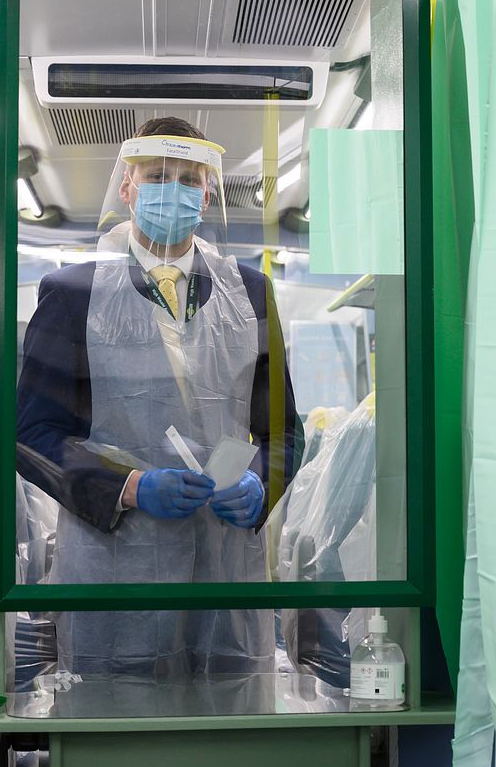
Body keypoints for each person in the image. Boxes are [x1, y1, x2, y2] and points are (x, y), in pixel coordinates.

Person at [16, 116, 303, 676]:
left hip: (224, 568)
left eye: (189, 179)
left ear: (208, 192)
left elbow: (282, 431)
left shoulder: (249, 292)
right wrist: (127, 487)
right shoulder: (74, 294)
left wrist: (260, 485)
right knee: (118, 727)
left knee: (227, 727)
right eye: (157, 176)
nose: (173, 191)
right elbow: (31, 434)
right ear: (127, 187)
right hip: (116, 569)